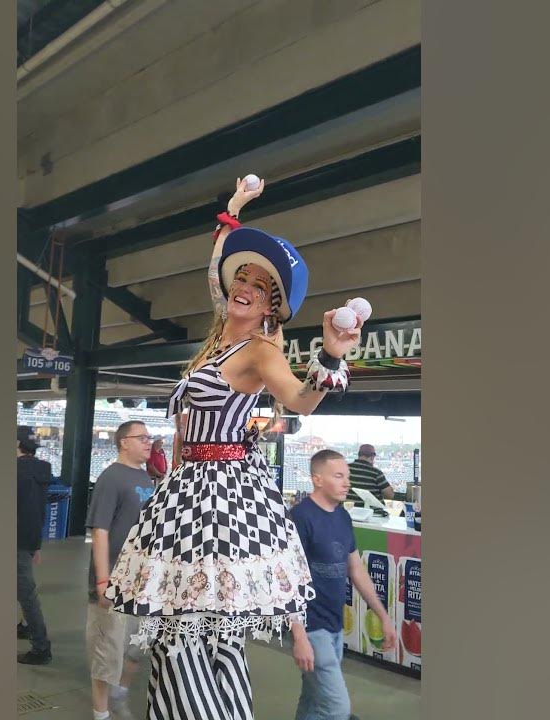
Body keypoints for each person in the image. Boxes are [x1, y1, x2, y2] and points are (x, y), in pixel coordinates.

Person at [102, 178, 365, 719]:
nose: (244, 286)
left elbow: (300, 399)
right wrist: (235, 208)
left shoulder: (260, 350)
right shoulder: (215, 343)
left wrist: (331, 357)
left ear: (273, 306)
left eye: (260, 285)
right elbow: (215, 264)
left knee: (198, 625)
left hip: (222, 497)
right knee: (186, 622)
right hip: (186, 490)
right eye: (241, 277)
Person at [289, 450, 398, 720]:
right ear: (317, 479)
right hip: (312, 627)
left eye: (347, 476)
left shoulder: (342, 517)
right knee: (338, 709)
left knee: (313, 701)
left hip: (334, 625)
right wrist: (299, 636)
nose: (347, 483)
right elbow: (287, 579)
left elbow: (356, 569)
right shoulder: (300, 517)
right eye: (338, 476)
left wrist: (383, 616)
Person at [87, 421, 156, 720]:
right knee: (106, 654)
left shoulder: (145, 477)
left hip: (141, 582)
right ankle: (101, 713)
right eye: (142, 438)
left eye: (149, 437)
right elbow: (100, 531)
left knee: (136, 647)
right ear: (124, 442)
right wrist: (104, 580)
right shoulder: (111, 477)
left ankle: (119, 693)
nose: (149, 442)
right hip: (114, 581)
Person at [17, 436, 54, 665]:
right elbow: (40, 509)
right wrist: (37, 545)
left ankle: (41, 648)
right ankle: (25, 626)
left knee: (26, 594)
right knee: (22, 588)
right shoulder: (43, 469)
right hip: (31, 537)